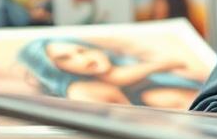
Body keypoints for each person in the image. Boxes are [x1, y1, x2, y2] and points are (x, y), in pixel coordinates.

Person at [18, 37, 204, 108]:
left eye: (82, 50)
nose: (83, 59)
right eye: (64, 59)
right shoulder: (85, 89)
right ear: (55, 69)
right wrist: (162, 65)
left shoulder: (123, 66)